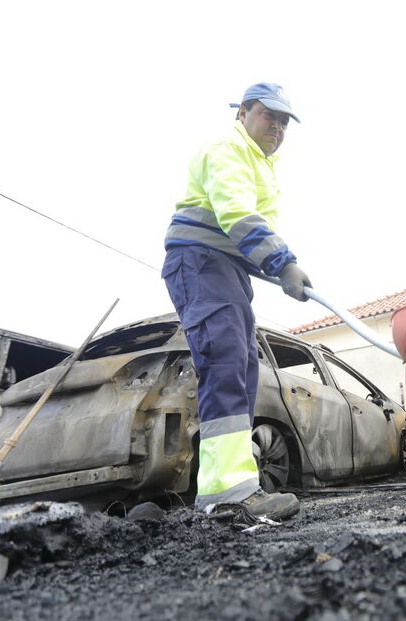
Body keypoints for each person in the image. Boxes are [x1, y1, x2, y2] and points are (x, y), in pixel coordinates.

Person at [162, 82, 310, 521]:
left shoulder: (259, 163)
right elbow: (237, 214)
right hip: (201, 262)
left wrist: (274, 267)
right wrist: (283, 263)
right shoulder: (228, 149)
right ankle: (226, 494)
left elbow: (245, 229)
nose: (278, 127)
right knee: (225, 364)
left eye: (284, 122)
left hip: (225, 269)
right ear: (243, 112)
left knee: (242, 371)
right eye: (269, 116)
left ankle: (228, 487)